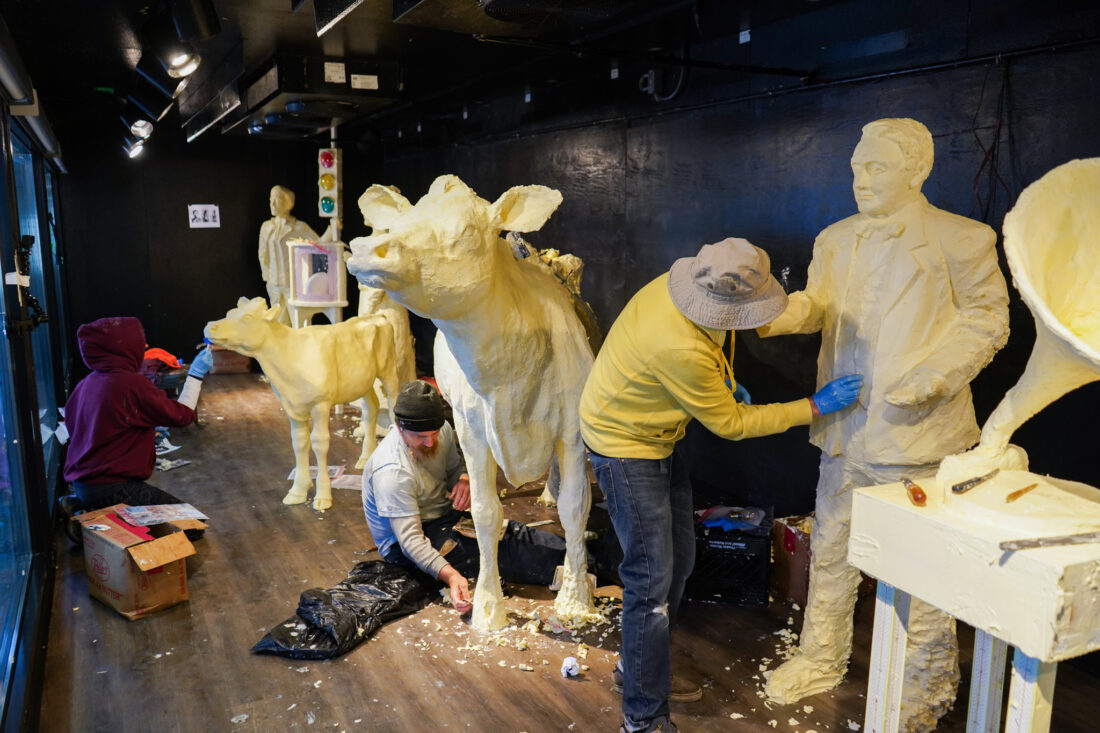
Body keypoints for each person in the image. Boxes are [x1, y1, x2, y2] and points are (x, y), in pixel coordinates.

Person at [759, 118, 1010, 732]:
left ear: (916, 170)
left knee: (923, 569)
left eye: (876, 168)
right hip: (845, 430)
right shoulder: (835, 239)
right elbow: (818, 305)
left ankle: (926, 686)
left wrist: (936, 377)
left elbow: (988, 320)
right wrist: (766, 310)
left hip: (920, 432)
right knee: (836, 550)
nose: (860, 180)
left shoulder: (962, 238)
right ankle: (820, 658)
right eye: (855, 168)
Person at [579, 237, 863, 733]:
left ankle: (637, 664)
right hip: (625, 447)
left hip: (654, 434)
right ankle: (642, 717)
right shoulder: (678, 344)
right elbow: (732, 425)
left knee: (680, 562)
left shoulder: (684, 285)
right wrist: (814, 406)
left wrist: (723, 379)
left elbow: (713, 345)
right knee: (650, 584)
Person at [362, 381, 572, 613]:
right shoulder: (392, 471)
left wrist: (462, 479)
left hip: (443, 519)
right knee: (502, 553)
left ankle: (585, 553)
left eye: (433, 434)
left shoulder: (440, 432)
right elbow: (410, 540)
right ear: (399, 428)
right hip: (403, 544)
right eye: (421, 437)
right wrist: (451, 576)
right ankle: (583, 568)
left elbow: (454, 468)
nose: (430, 442)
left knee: (510, 532)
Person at [60, 316, 213, 538]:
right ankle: (91, 526)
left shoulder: (87, 383)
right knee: (193, 525)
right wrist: (196, 374)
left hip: (83, 484)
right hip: (115, 488)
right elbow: (183, 416)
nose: (145, 347)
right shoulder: (131, 385)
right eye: (139, 343)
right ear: (122, 348)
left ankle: (83, 506)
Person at [258, 185, 328, 325]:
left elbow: (320, 244)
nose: (272, 204)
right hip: (274, 283)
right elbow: (262, 254)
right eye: (271, 199)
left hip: (293, 283)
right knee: (278, 322)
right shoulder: (266, 227)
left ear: (288, 203)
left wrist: (332, 229)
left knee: (300, 321)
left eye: (277, 199)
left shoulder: (299, 227)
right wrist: (267, 278)